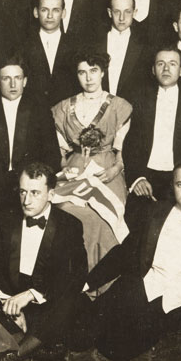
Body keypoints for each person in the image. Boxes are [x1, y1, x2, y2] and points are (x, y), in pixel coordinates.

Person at [82, 159, 181, 361]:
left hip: (178, 300)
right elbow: (125, 251)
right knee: (82, 333)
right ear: (172, 185)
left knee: (115, 350)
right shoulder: (155, 212)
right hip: (146, 283)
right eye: (180, 184)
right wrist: (89, 281)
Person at [0, 163, 88, 361]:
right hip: (11, 298)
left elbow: (75, 276)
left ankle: (10, 357)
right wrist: (10, 304)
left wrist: (31, 295)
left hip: (45, 300)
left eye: (35, 193)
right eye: (23, 192)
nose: (26, 200)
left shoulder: (70, 226)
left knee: (71, 298)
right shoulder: (4, 220)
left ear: (51, 194)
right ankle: (45, 350)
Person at [51, 49, 133, 268]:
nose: (88, 78)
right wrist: (63, 166)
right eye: (82, 72)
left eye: (93, 71)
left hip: (107, 170)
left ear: (103, 72)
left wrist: (116, 169)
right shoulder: (63, 107)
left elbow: (124, 148)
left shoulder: (120, 106)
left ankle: (101, 281)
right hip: (74, 168)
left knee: (105, 218)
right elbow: (58, 148)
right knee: (66, 212)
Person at [0, 58, 62, 223]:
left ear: (25, 81)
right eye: (6, 79)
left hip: (29, 185)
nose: (12, 84)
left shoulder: (39, 110)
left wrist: (36, 186)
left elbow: (52, 154)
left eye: (17, 78)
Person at [123, 47, 181, 211]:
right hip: (146, 177)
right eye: (160, 64)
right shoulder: (139, 100)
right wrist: (137, 178)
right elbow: (130, 145)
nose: (166, 69)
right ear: (153, 70)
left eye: (172, 64)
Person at [20, 0, 80, 107]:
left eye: (56, 10)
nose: (50, 15)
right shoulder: (23, 46)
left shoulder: (76, 45)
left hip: (67, 114)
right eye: (44, 10)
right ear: (36, 12)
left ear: (63, 13)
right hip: (33, 113)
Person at [99, 0, 152, 102]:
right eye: (117, 12)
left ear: (135, 12)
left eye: (127, 12)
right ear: (109, 12)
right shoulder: (96, 42)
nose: (122, 18)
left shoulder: (146, 44)